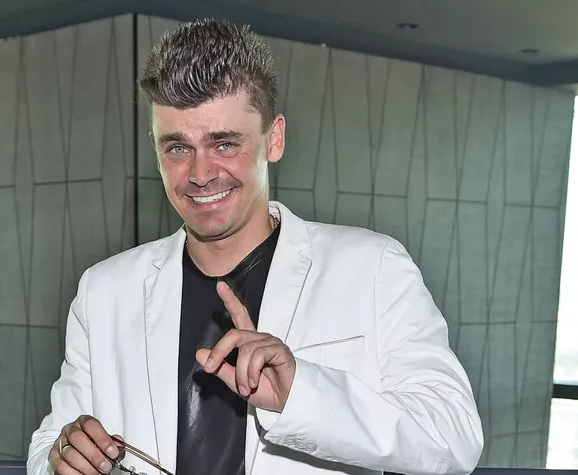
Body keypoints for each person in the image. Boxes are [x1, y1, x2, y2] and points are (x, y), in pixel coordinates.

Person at [27, 18, 483, 475]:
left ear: (274, 139)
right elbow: (49, 445)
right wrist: (63, 458)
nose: (201, 174)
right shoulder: (105, 291)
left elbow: (454, 438)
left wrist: (300, 394)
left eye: (225, 144)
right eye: (177, 148)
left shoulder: (372, 268)